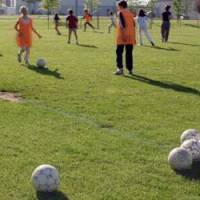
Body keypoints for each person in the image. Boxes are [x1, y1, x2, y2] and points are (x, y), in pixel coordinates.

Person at [114, 0, 136, 75]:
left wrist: (123, 35)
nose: (117, 7)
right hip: (131, 35)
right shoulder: (130, 13)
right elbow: (134, 24)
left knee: (119, 52)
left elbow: (122, 25)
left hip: (122, 36)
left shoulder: (120, 13)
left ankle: (120, 69)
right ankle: (130, 69)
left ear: (121, 6)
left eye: (118, 6)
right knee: (129, 53)